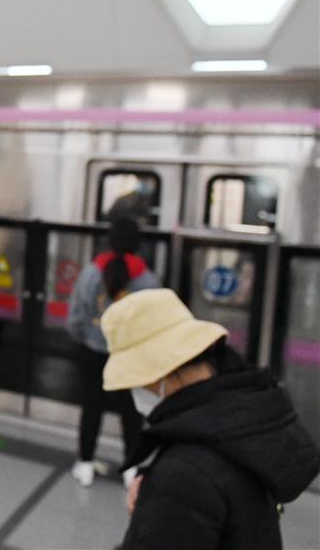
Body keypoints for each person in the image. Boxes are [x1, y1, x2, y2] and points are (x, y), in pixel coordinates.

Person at [102, 288, 320, 550]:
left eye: (135, 379)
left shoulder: (182, 475)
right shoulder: (244, 427)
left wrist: (162, 499)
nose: (132, 390)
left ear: (164, 373)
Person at [67, 216, 159, 487]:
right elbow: (153, 322)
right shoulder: (147, 279)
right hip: (128, 355)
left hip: (93, 351)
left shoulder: (92, 272)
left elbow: (75, 316)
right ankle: (131, 469)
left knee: (92, 407)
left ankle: (84, 464)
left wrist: (85, 339)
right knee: (131, 412)